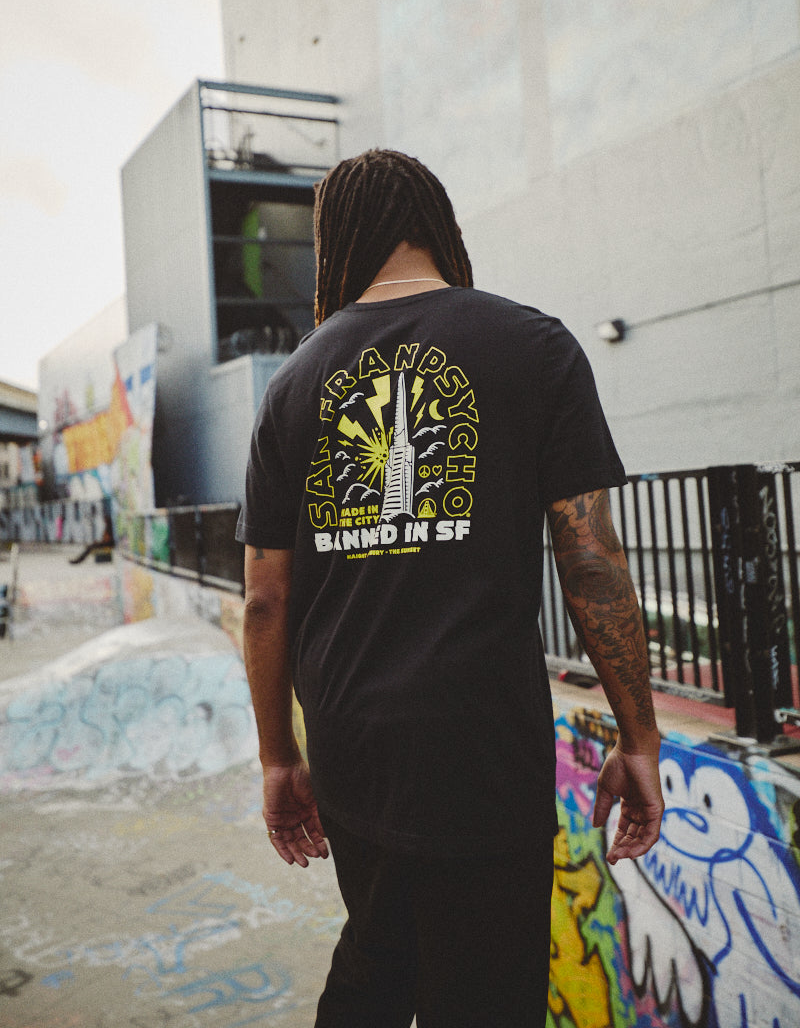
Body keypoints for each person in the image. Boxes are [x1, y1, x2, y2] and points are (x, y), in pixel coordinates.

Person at [236, 148, 663, 1027]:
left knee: (378, 961)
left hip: (354, 747)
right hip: (484, 750)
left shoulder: (291, 387)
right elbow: (590, 561)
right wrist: (640, 736)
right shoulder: (533, 346)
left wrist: (281, 755)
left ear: (336, 244)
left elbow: (264, 601)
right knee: (487, 996)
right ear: (437, 227)